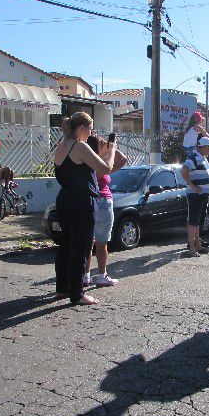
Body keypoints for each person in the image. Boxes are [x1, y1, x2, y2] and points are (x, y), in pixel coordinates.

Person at [53, 112, 116, 305]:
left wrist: (101, 155)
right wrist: (111, 151)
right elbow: (105, 169)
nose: (91, 133)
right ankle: (77, 293)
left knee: (65, 246)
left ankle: (63, 288)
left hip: (65, 199)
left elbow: (81, 167)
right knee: (81, 247)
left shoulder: (61, 146)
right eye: (89, 129)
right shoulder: (79, 146)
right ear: (80, 128)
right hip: (82, 201)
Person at [83, 134, 127, 288]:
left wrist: (110, 148)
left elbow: (122, 160)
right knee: (101, 243)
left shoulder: (86, 160)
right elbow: (119, 161)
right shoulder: (97, 164)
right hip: (102, 202)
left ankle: (85, 276)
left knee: (89, 242)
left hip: (91, 202)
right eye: (101, 143)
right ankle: (101, 275)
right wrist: (111, 149)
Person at [181, 136, 209, 257]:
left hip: (203, 195)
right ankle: (191, 248)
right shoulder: (194, 158)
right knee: (193, 221)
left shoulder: (203, 158)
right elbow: (184, 171)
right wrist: (193, 186)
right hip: (195, 195)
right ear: (204, 147)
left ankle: (197, 244)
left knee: (198, 221)